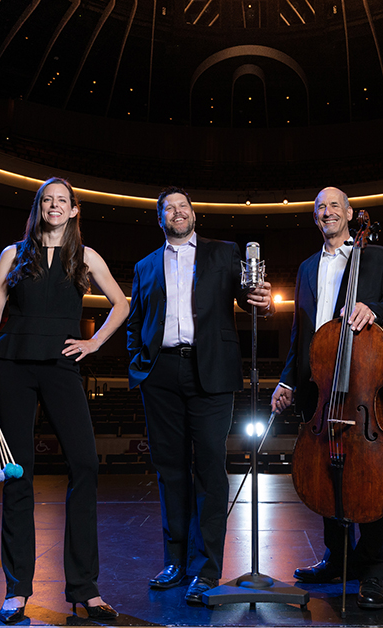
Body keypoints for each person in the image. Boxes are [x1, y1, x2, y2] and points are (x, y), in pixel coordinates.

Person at [0, 178, 128, 623]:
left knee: (85, 464)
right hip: (13, 367)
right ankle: (17, 589)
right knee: (18, 473)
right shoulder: (13, 254)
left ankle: (85, 588)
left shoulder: (85, 256)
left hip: (61, 366)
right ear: (40, 207)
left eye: (63, 201)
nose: (55, 206)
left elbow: (121, 304)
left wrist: (94, 343)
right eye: (49, 200)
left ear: (74, 210)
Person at [126, 186, 272, 605]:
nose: (177, 212)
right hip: (161, 373)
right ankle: (174, 561)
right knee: (170, 470)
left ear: (194, 214)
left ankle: (206, 568)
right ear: (160, 219)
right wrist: (141, 365)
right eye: (168, 208)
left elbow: (252, 302)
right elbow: (136, 321)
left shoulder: (225, 253)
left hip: (211, 370)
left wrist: (262, 301)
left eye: (183, 206)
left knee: (209, 468)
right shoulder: (144, 265)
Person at [271, 187, 383, 610]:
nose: (327, 212)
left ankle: (373, 570)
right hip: (323, 389)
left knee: (369, 477)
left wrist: (374, 310)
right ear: (315, 218)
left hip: (365, 385)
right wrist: (287, 381)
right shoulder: (308, 267)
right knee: (326, 472)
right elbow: (301, 336)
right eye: (320, 208)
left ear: (350, 214)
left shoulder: (380, 257)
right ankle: (336, 556)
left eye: (335, 205)